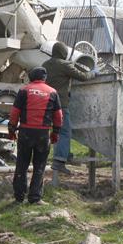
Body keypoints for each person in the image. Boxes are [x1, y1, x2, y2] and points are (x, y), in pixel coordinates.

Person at [8, 67, 63, 205]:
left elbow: (15, 112)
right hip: (43, 134)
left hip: (25, 132)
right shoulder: (52, 92)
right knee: (40, 166)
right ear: (44, 78)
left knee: (21, 164)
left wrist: (12, 129)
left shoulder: (24, 90)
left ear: (31, 77)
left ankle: (19, 197)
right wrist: (55, 133)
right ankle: (35, 198)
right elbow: (58, 116)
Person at [43, 41, 98, 175]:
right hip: (60, 104)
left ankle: (64, 155)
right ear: (64, 53)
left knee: (55, 131)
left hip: (47, 104)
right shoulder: (65, 65)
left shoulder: (45, 65)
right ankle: (59, 161)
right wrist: (94, 73)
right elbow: (83, 76)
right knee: (65, 132)